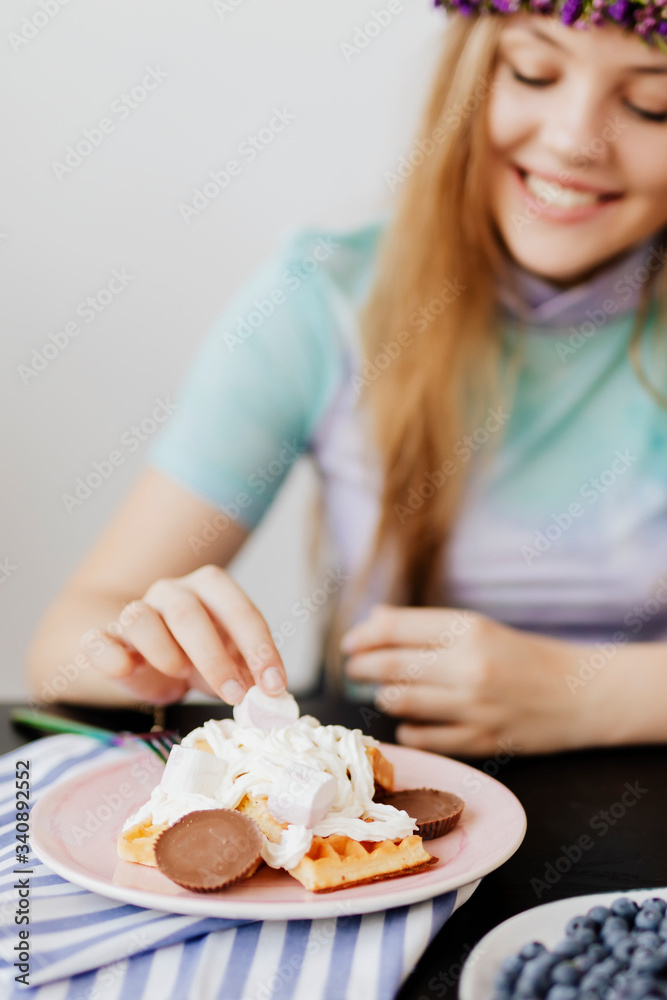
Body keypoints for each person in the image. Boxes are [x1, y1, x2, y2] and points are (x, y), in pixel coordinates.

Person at [27, 1, 667, 758]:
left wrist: (594, 697)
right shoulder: (320, 299)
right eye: (531, 72)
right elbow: (61, 648)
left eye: (648, 101)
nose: (572, 140)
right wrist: (139, 655)